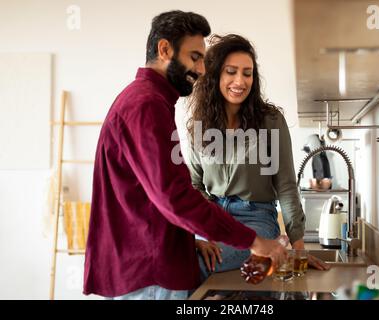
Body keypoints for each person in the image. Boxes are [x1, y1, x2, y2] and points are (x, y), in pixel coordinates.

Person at [83, 11, 287, 300]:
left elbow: (155, 195)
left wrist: (190, 240)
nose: (203, 69)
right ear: (165, 50)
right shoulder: (146, 106)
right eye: (194, 57)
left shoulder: (148, 101)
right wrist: (254, 241)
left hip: (149, 264)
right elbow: (175, 197)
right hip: (151, 270)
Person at [186, 34, 329, 281]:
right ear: (215, 75)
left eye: (247, 73)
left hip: (256, 219)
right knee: (178, 259)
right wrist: (203, 227)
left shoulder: (270, 121)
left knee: (199, 264)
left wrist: (298, 247)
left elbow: (285, 185)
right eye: (231, 72)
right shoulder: (199, 124)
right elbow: (194, 185)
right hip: (212, 218)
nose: (240, 81)